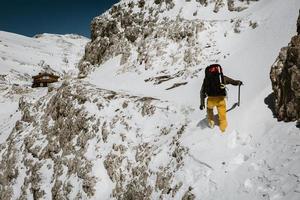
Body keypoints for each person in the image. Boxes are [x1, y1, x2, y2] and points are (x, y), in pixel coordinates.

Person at [200, 64, 242, 133]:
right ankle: (223, 128)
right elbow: (232, 81)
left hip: (210, 99)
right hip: (221, 99)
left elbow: (202, 91)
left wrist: (202, 103)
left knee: (209, 109)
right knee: (222, 113)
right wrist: (238, 83)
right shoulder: (221, 77)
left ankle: (211, 122)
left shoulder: (206, 79)